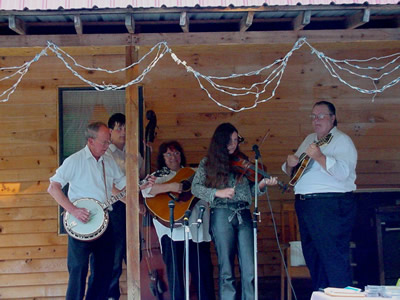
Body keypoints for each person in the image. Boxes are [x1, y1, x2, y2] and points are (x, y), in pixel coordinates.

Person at [191, 123, 278, 300]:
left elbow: (252, 190)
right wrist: (217, 192)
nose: (233, 144)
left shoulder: (243, 161)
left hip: (244, 213)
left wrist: (261, 185)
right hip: (221, 214)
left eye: (235, 140)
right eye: (229, 141)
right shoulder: (208, 163)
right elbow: (195, 188)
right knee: (226, 269)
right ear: (220, 141)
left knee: (249, 267)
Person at [281, 100, 357, 291]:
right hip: (307, 204)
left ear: (332, 118)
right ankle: (322, 293)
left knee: (332, 256)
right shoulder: (309, 139)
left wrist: (321, 157)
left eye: (321, 116)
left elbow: (343, 173)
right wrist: (290, 163)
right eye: (313, 116)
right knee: (313, 256)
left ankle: (340, 294)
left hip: (330, 204)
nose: (316, 120)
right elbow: (295, 171)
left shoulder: (342, 141)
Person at [48, 122, 126, 300]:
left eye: (108, 142)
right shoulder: (74, 161)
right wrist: (73, 210)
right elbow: (53, 188)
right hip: (80, 225)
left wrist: (142, 186)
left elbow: (122, 185)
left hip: (105, 222)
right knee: (78, 270)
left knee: (104, 271)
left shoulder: (109, 160)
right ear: (91, 141)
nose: (108, 146)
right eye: (104, 142)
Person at [141, 141, 216, 300]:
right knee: (175, 276)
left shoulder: (193, 172)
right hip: (171, 233)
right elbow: (145, 189)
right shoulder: (158, 175)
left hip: (196, 231)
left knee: (203, 274)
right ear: (162, 158)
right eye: (168, 154)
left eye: (176, 153)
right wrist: (171, 187)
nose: (173, 157)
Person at [88, 113, 145, 300]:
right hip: (112, 209)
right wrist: (131, 203)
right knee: (112, 258)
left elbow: (140, 180)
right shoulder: (106, 153)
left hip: (131, 207)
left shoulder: (134, 153)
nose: (123, 132)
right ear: (110, 132)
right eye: (119, 128)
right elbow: (109, 186)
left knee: (135, 255)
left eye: (126, 128)